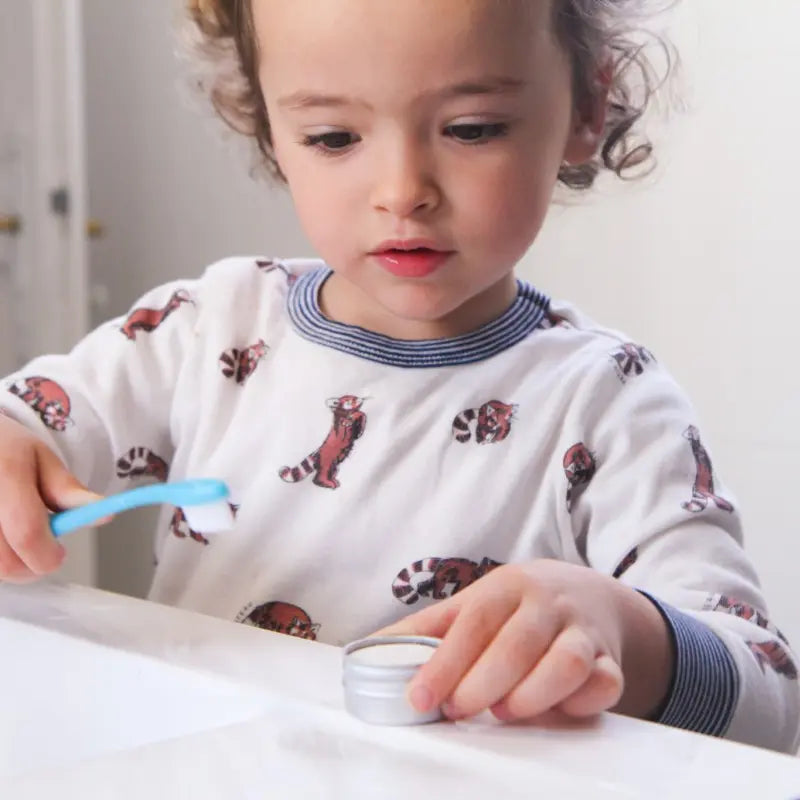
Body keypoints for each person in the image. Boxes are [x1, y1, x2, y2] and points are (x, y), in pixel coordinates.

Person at [0, 0, 797, 753]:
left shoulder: (608, 401)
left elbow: (769, 698)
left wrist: (624, 628)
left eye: (472, 127)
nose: (402, 192)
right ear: (264, 122)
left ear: (587, 111)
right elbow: (26, 426)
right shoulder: (205, 329)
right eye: (333, 137)